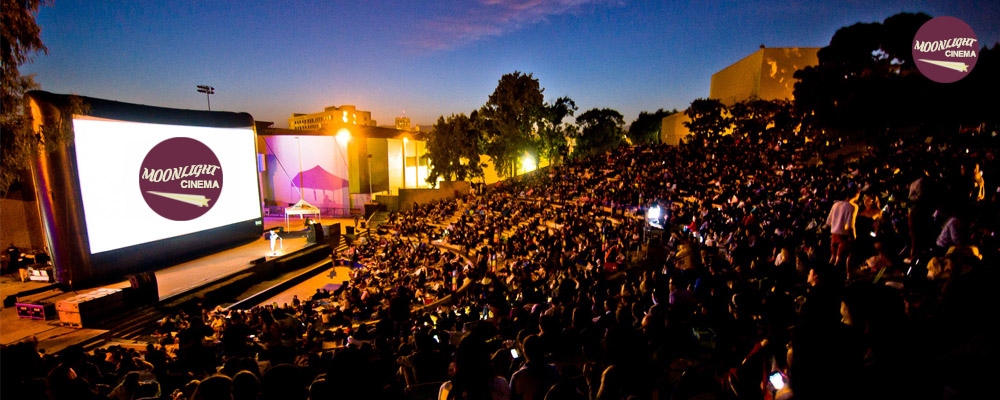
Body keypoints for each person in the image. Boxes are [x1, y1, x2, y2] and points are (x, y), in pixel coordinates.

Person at [827, 188, 859, 276]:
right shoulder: (853, 207)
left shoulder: (836, 204)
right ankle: (848, 275)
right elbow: (850, 225)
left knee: (833, 257)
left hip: (834, 234)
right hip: (844, 236)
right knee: (845, 257)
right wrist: (853, 236)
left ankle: (827, 274)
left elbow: (828, 222)